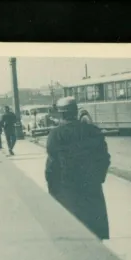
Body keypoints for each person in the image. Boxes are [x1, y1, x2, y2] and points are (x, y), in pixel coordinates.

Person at [45, 96, 111, 240]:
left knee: (74, 234)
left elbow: (52, 165)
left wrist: (53, 189)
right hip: (91, 188)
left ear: (61, 113)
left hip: (67, 190)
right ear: (76, 112)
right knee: (94, 230)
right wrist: (98, 179)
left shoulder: (56, 134)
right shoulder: (93, 131)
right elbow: (105, 159)